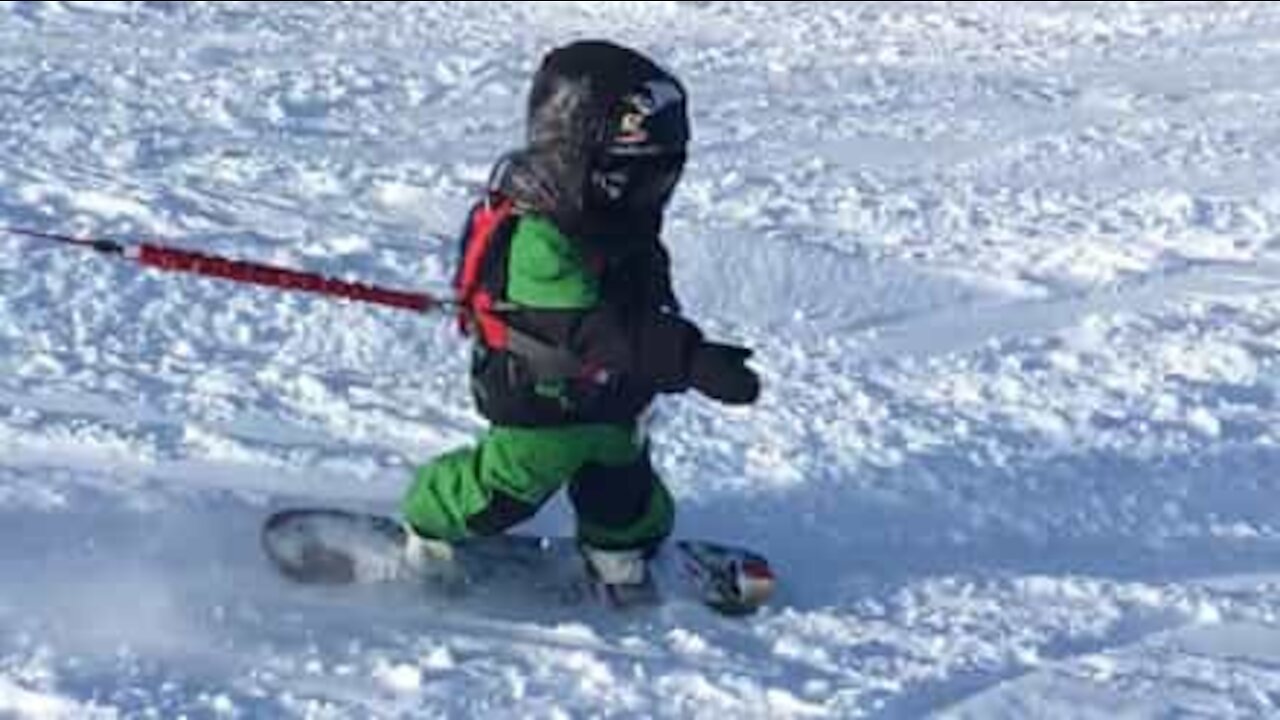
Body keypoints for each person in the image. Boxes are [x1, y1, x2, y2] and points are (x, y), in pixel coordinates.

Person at [399, 40, 760, 598]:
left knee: (625, 489)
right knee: (504, 490)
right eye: (633, 175)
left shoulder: (620, 221)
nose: (650, 192)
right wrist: (690, 358)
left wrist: (668, 336)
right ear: (581, 159)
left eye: (661, 176)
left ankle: (618, 556)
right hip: (543, 396)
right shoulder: (537, 233)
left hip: (615, 395)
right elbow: (587, 329)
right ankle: (429, 526)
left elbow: (644, 303)